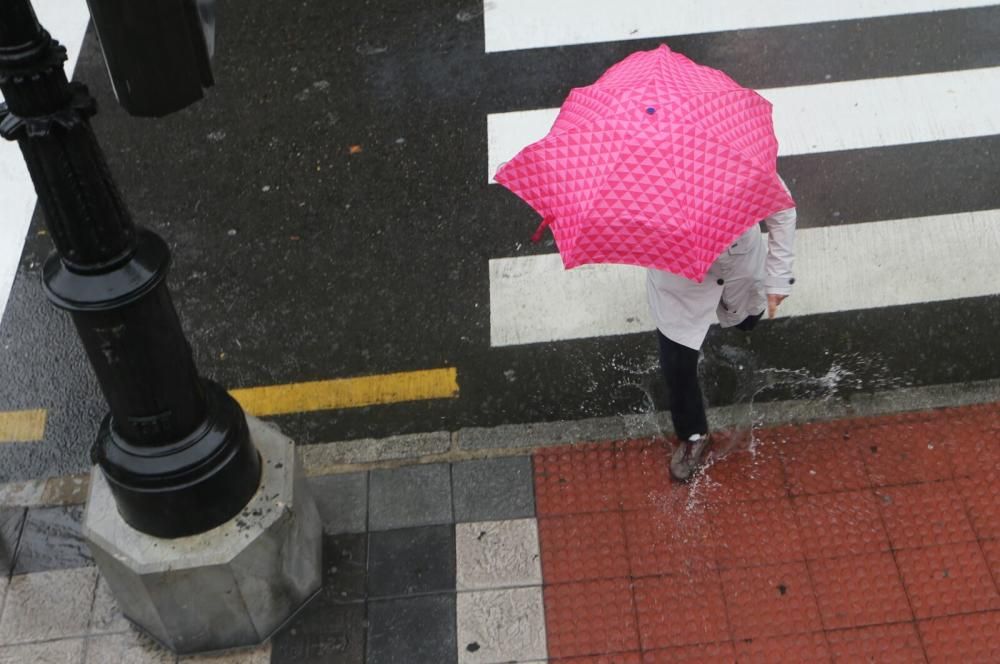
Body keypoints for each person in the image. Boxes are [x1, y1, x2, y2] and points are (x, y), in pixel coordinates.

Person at [647, 179, 797, 481]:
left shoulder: (733, 161)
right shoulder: (642, 177)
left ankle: (738, 315)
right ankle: (693, 436)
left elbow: (782, 209)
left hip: (737, 266)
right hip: (678, 280)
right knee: (676, 365)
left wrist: (778, 278)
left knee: (746, 322)